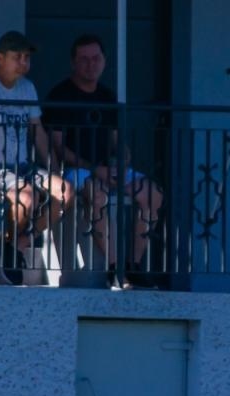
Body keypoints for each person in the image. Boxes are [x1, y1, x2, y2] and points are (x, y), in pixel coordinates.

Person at [44, 34, 163, 283]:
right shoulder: (60, 95)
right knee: (97, 196)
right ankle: (114, 267)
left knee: (152, 194)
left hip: (106, 169)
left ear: (104, 61)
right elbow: (58, 147)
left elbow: (117, 142)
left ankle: (134, 266)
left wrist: (122, 159)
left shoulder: (108, 97)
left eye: (96, 58)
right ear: (73, 63)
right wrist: (95, 169)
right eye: (84, 59)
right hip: (74, 171)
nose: (91, 64)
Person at [0, 31, 74, 272]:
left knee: (65, 192)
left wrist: (53, 168)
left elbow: (38, 133)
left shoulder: (27, 88)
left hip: (23, 165)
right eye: (17, 57)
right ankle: (9, 247)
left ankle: (17, 243)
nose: (24, 62)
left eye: (27, 57)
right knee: (27, 197)